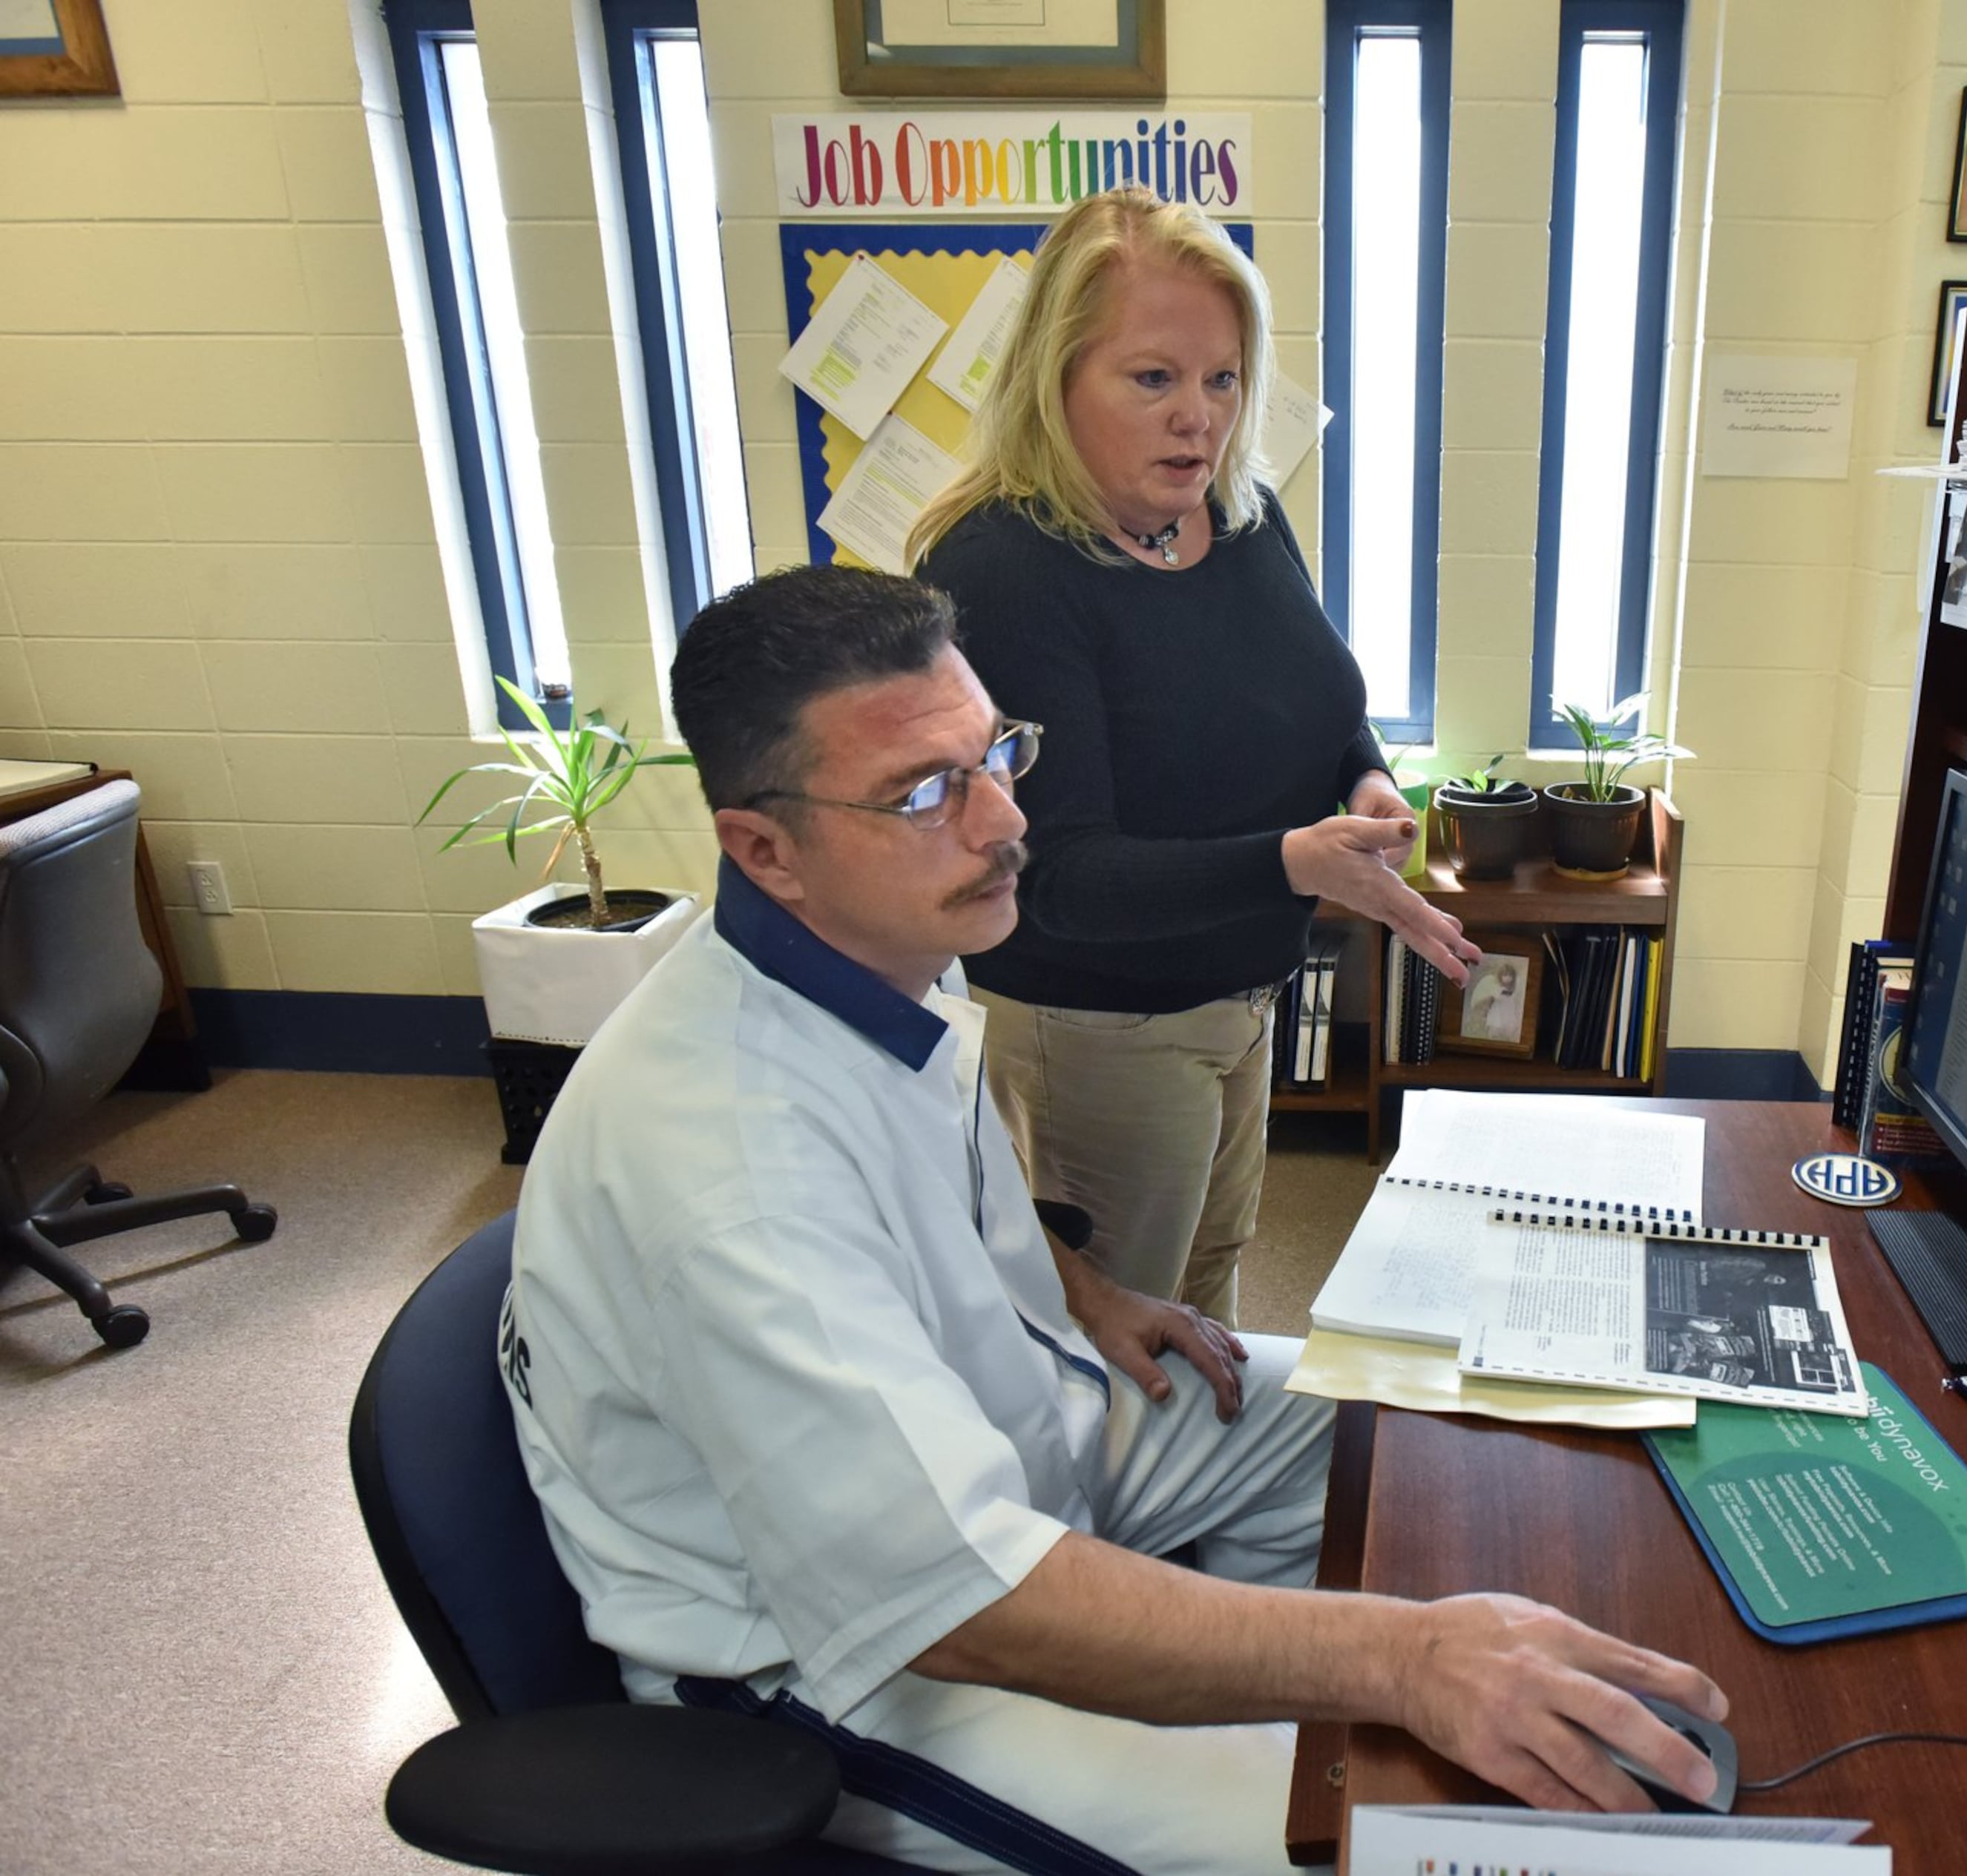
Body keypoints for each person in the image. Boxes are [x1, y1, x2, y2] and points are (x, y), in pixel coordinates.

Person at [501, 565, 1725, 1876]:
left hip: (1012, 1436)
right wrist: (1407, 1660)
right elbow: (961, 1592)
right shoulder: (728, 1162)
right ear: (764, 849)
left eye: (996, 756)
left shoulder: (875, 940)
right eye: (924, 791)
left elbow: (930, 1183)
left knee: (1397, 1417)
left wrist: (1078, 1288)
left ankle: (1367, 1667)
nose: (999, 823)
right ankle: (1353, 1705)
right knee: (1361, 1837)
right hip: (846, 1653)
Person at [907, 187, 1474, 1331]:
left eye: (1222, 380)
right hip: (1100, 1028)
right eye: (1153, 378)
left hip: (1239, 999)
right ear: (1054, 378)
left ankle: (1185, 1517)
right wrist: (1295, 863)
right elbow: (1059, 874)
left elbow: (1318, 697)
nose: (1199, 419)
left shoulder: (1243, 511)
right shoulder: (1009, 567)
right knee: (1121, 1334)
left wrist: (1359, 777)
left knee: (1210, 1290)